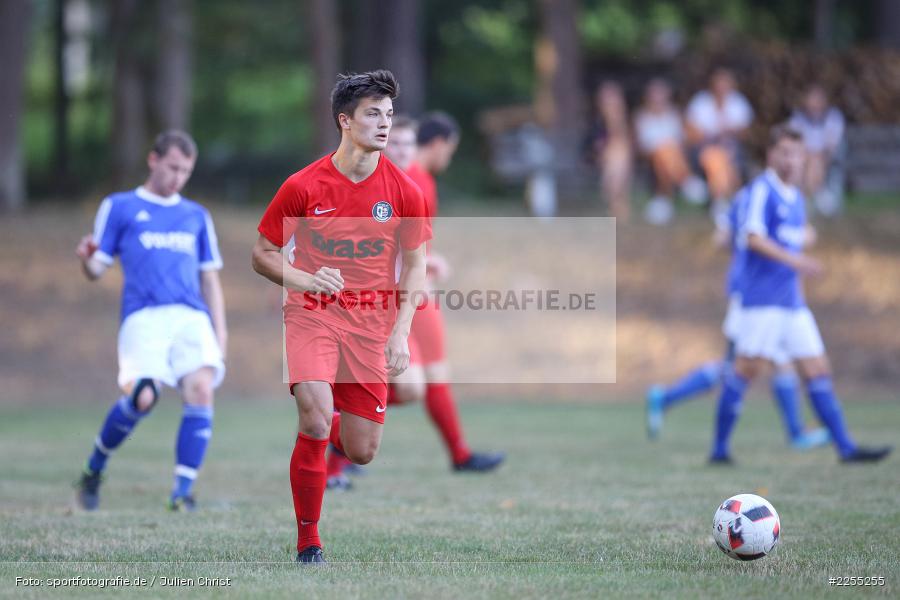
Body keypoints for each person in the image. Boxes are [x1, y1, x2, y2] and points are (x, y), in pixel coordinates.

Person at [251, 70, 431, 564]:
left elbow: (415, 268)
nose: (384, 124)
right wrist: (307, 282)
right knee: (314, 417)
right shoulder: (303, 185)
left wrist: (400, 334)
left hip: (372, 326)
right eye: (374, 113)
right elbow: (262, 253)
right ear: (345, 121)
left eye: (389, 115)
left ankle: (320, 432)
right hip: (311, 313)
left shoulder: (404, 192)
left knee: (361, 450)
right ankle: (309, 541)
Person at [324, 114, 504, 490]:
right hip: (378, 299)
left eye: (408, 144)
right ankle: (333, 430)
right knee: (409, 386)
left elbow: (414, 245)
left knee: (425, 380)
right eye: (397, 144)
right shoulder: (368, 183)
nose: (404, 152)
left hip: (414, 292)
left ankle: (458, 453)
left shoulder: (419, 183)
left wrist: (425, 264)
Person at [709, 124, 891, 465]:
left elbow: (789, 235)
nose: (792, 160)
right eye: (785, 152)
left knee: (818, 369)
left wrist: (803, 240)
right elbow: (751, 237)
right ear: (771, 155)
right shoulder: (760, 191)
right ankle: (719, 450)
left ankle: (846, 448)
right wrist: (797, 258)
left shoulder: (796, 197)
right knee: (745, 371)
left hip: (792, 303)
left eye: (797, 154)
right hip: (761, 302)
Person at [74, 130, 227, 512]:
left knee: (201, 390)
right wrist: (85, 258)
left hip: (191, 316)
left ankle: (182, 493)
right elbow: (97, 268)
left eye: (186, 171)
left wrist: (220, 333)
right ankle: (94, 469)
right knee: (143, 396)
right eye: (173, 167)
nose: (178, 177)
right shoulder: (121, 206)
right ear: (153, 160)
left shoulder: (196, 216)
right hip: (144, 316)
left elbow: (210, 278)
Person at [646, 183, 828, 450]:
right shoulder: (761, 196)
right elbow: (733, 238)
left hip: (756, 293)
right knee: (739, 366)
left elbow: (721, 238)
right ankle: (668, 399)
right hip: (754, 295)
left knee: (768, 361)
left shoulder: (745, 197)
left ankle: (796, 432)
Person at [685, 68, 753, 227]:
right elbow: (691, 132)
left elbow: (745, 132)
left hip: (732, 149)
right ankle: (723, 200)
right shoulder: (700, 102)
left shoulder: (738, 102)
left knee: (725, 156)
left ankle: (722, 202)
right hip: (704, 150)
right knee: (715, 157)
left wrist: (727, 132)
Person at [634, 78, 706, 224]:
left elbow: (688, 139)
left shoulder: (676, 115)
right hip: (652, 158)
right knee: (662, 153)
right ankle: (685, 181)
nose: (658, 99)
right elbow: (640, 147)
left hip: (677, 156)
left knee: (667, 152)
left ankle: (663, 199)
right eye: (654, 95)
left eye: (661, 95)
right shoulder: (641, 117)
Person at [788, 84, 846, 216]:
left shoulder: (833, 117)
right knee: (809, 160)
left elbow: (832, 145)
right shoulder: (798, 118)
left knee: (815, 160)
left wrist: (816, 156)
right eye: (811, 99)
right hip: (803, 158)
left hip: (826, 158)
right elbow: (794, 141)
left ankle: (808, 197)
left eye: (817, 99)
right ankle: (816, 196)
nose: (814, 103)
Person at [585, 81, 633, 220]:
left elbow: (628, 144)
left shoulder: (625, 121)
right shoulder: (596, 123)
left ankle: (616, 202)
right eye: (607, 100)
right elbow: (595, 148)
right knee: (616, 156)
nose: (611, 104)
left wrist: (615, 121)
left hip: (619, 162)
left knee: (619, 154)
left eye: (613, 99)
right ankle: (617, 203)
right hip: (602, 160)